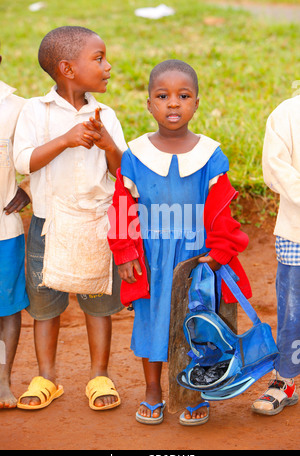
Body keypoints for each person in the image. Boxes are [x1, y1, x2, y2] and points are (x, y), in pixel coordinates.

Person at [108, 59, 251, 425]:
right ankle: (153, 390)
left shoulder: (209, 155)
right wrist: (124, 252)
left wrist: (220, 252)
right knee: (152, 320)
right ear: (149, 104)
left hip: (196, 258)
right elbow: (122, 206)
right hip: (152, 257)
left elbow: (222, 211)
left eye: (183, 96)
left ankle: (193, 391)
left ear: (196, 103)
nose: (173, 103)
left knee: (197, 322)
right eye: (163, 95)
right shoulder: (135, 156)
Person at [13, 26, 127, 410]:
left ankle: (99, 376)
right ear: (67, 68)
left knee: (98, 305)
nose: (108, 66)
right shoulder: (36, 110)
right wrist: (66, 138)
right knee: (45, 307)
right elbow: (22, 161)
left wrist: (107, 142)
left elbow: (123, 173)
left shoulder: (106, 114)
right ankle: (46, 377)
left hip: (96, 225)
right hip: (48, 224)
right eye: (98, 59)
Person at [252, 94, 300, 415]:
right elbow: (274, 169)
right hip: (297, 232)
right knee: (293, 310)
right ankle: (286, 379)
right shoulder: (287, 115)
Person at [0, 50, 31, 408]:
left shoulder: (17, 108)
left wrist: (30, 188)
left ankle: (3, 381)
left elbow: (39, 154)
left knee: (6, 308)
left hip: (3, 230)